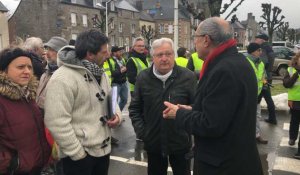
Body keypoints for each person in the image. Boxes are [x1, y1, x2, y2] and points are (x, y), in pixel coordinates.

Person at [163, 17, 263, 175]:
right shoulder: (238, 62)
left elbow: (211, 124)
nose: (194, 43)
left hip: (223, 165)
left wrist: (179, 114)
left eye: (195, 38)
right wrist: (193, 109)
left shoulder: (223, 70)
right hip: (236, 159)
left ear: (206, 40)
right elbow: (226, 110)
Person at [44, 29, 122, 175]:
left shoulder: (100, 72)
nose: (108, 55)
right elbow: (56, 121)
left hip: (103, 151)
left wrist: (117, 115)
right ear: (90, 54)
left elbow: (110, 97)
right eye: (104, 52)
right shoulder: (62, 79)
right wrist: (77, 153)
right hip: (79, 157)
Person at [129, 38, 196, 175]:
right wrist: (143, 133)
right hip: (154, 144)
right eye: (159, 55)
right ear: (152, 57)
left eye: (168, 54)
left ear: (174, 55)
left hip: (180, 143)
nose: (164, 58)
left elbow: (197, 106)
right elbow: (135, 108)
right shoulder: (143, 78)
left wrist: (187, 123)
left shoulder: (188, 77)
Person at [0, 47, 51, 175]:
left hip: (35, 168)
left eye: (29, 67)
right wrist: (11, 164)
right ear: (4, 70)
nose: (27, 71)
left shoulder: (27, 95)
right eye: (20, 67)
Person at [36, 36, 68, 175]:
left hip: (57, 127)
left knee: (61, 164)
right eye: (47, 49)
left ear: (62, 53)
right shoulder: (46, 72)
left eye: (52, 50)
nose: (47, 53)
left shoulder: (65, 75)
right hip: (43, 123)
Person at [246, 43, 268, 144]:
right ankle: (245, 136)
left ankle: (256, 135)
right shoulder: (245, 62)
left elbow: (263, 78)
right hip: (246, 95)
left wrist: (263, 88)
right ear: (253, 51)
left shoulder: (261, 63)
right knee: (245, 116)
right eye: (259, 50)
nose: (261, 52)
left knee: (257, 116)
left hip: (257, 95)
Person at [255, 34, 277, 125]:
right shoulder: (269, 48)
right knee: (265, 98)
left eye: (257, 39)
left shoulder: (263, 49)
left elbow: (263, 62)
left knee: (264, 98)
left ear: (262, 40)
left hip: (264, 77)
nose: (256, 40)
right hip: (268, 76)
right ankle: (272, 118)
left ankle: (271, 118)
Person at [283, 52, 300, 159]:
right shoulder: (290, 70)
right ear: (296, 59)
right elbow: (286, 84)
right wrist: (296, 74)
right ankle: (292, 138)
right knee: (294, 121)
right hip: (295, 101)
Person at [109, 46, 128, 112]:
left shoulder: (122, 59)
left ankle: (118, 114)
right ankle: (114, 116)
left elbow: (126, 68)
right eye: (119, 52)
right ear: (114, 53)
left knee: (125, 100)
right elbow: (111, 73)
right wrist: (120, 71)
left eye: (120, 51)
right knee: (114, 102)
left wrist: (126, 69)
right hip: (115, 83)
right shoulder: (110, 61)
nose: (121, 53)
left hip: (124, 82)